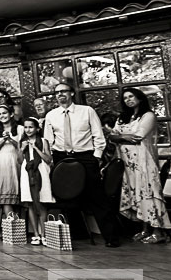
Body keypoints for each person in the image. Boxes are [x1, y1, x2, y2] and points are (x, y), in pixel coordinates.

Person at [43, 81, 121, 247]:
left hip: (85, 157)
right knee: (66, 197)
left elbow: (98, 136)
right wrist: (51, 160)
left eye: (64, 91)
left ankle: (111, 237)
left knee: (97, 197)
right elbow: (48, 141)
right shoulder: (51, 115)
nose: (60, 95)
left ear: (71, 93)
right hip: (61, 157)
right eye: (57, 93)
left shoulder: (86, 111)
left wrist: (97, 158)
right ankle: (78, 234)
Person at [109, 87, 171, 244]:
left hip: (144, 161)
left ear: (140, 98)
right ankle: (144, 229)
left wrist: (119, 136)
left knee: (149, 193)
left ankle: (159, 231)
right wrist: (122, 136)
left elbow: (138, 137)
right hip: (127, 164)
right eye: (125, 98)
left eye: (131, 96)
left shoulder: (148, 115)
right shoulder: (124, 117)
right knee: (137, 195)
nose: (128, 100)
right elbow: (111, 136)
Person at [20, 117, 53, 245]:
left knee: (42, 201)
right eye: (26, 127)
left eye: (31, 127)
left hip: (41, 170)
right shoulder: (22, 141)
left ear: (37, 128)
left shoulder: (44, 141)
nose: (28, 130)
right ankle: (35, 234)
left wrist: (36, 149)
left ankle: (44, 234)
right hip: (27, 170)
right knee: (30, 202)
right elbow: (19, 160)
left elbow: (48, 159)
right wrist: (22, 149)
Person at [0, 105, 23, 217]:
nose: (2, 116)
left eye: (4, 113)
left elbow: (23, 147)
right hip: (1, 162)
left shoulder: (20, 128)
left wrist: (11, 139)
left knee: (19, 192)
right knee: (5, 193)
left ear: (11, 114)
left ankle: (21, 226)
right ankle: (11, 225)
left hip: (16, 160)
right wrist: (3, 140)